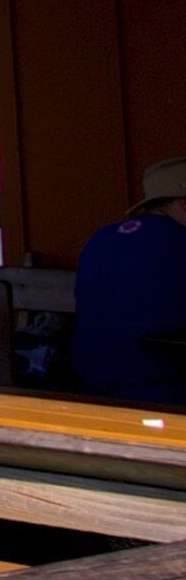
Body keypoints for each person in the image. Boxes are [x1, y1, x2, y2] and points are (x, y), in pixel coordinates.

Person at [77, 157, 186, 408]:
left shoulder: (102, 238)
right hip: (167, 390)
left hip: (95, 386)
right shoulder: (179, 242)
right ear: (183, 204)